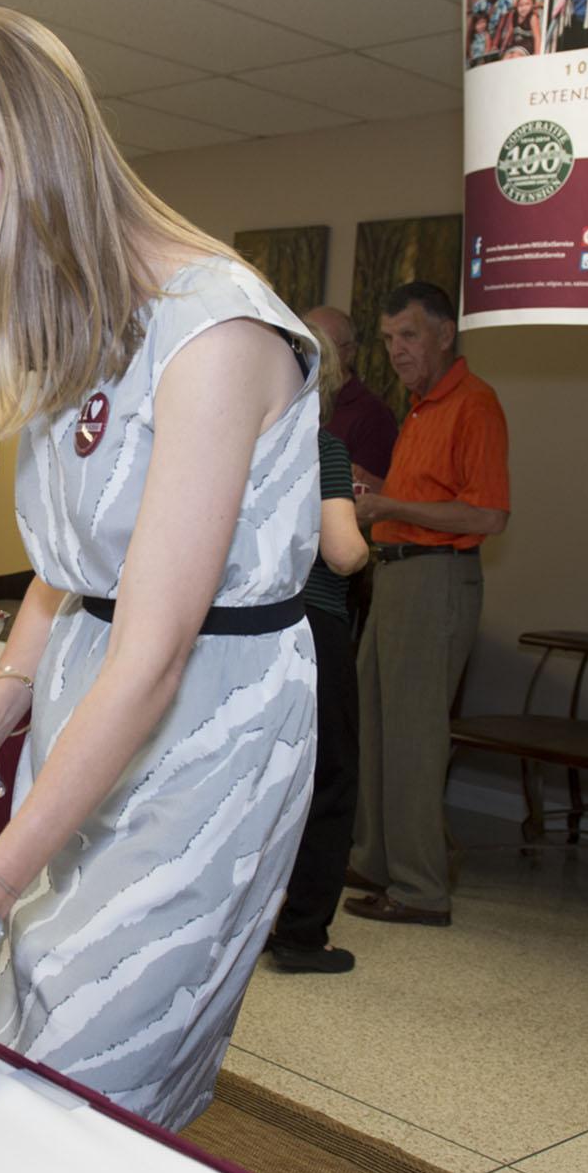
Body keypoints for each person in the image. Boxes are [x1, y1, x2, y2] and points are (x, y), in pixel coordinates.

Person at [0, 5, 321, 1130]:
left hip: (201, 740)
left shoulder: (214, 334)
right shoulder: (78, 324)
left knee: (84, 1076)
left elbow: (155, 654)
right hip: (88, 712)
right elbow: (65, 580)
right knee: (27, 1032)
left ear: (38, 154)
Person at [344, 283, 509, 929]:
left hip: (436, 580)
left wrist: (390, 506)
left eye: (408, 336)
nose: (396, 352)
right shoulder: (418, 409)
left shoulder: (475, 405)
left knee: (412, 740)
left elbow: (488, 513)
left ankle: (419, 889)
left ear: (445, 333)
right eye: (387, 340)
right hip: (394, 576)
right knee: (375, 727)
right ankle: (374, 859)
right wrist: (374, 491)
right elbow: (420, 495)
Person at [265, 331, 371, 973]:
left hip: (245, 628)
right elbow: (342, 551)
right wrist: (365, 533)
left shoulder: (240, 444)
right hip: (314, 625)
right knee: (327, 779)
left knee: (257, 777)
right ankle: (303, 934)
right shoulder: (322, 447)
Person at [302, 306, 396, 490]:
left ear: (350, 352)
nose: (312, 354)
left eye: (324, 346)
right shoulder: (289, 401)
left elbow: (367, 496)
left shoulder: (373, 415)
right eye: (305, 343)